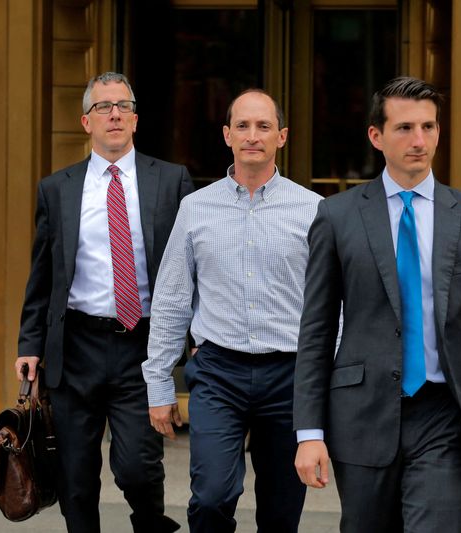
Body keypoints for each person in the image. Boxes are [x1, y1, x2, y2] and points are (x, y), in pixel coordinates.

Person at [293, 76, 461, 532]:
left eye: (429, 127)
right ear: (376, 136)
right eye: (405, 128)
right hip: (362, 413)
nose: (419, 140)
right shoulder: (338, 216)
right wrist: (309, 433)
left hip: (444, 413)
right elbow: (316, 330)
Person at [15, 72, 193, 533]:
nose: (114, 114)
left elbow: (192, 269)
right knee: (75, 477)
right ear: (85, 121)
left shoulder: (172, 181)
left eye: (123, 106)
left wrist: (194, 337)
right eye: (103, 107)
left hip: (142, 348)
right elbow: (43, 276)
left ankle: (150, 522)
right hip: (76, 347)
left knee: (137, 466)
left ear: (135, 119)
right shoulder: (57, 189)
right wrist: (29, 343)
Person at [143, 89, 320, 532]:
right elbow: (170, 300)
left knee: (281, 513)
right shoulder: (196, 208)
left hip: (289, 377)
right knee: (210, 499)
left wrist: (328, 384)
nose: (252, 135)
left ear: (282, 136)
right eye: (242, 125)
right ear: (227, 135)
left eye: (263, 126)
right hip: (219, 373)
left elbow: (329, 307)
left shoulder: (314, 210)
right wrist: (159, 383)